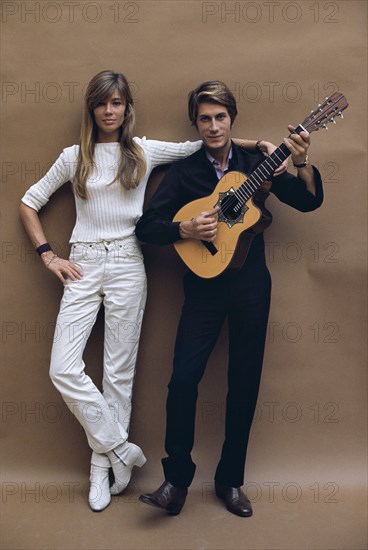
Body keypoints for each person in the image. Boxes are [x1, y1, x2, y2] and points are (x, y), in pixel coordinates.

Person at [19, 71, 279, 513]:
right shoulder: (72, 157)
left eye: (116, 103)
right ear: (91, 109)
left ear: (126, 107)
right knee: (63, 367)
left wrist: (262, 148)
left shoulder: (143, 149)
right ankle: (122, 449)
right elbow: (29, 200)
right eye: (101, 103)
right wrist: (48, 255)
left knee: (118, 377)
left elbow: (209, 142)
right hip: (82, 262)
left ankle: (103, 471)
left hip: (128, 263)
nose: (109, 111)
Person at [136, 80, 323, 517]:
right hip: (202, 288)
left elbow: (309, 201)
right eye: (205, 118)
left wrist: (302, 162)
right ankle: (175, 482)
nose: (214, 125)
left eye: (221, 117)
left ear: (231, 119)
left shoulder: (260, 162)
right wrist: (183, 230)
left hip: (251, 288)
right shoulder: (185, 173)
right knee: (182, 381)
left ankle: (230, 481)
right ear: (196, 123)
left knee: (244, 384)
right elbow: (147, 227)